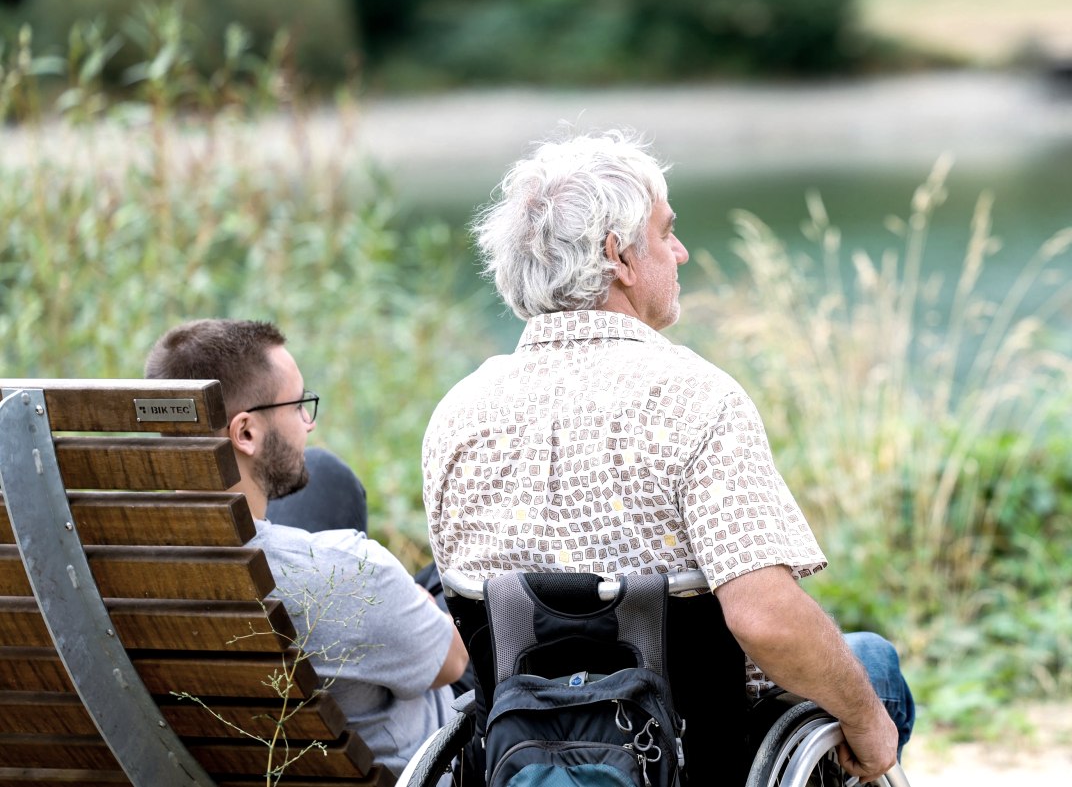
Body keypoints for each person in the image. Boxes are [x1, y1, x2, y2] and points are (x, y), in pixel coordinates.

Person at [422, 129, 913, 782]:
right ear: (617, 255)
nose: (680, 250)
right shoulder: (695, 398)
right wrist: (870, 724)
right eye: (667, 230)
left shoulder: (457, 413)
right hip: (697, 754)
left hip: (523, 749)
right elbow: (766, 617)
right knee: (872, 664)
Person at [145, 319, 469, 778]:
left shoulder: (111, 574)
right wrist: (406, 597)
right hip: (423, 762)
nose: (309, 422)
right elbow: (454, 661)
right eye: (298, 405)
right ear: (246, 434)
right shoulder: (351, 572)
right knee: (447, 585)